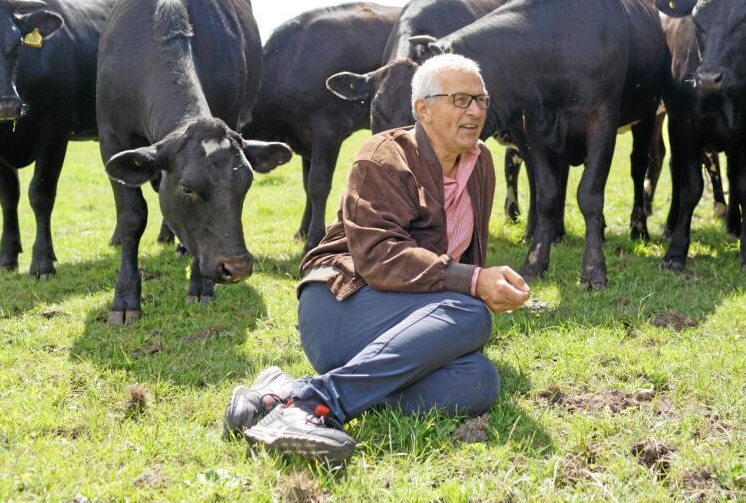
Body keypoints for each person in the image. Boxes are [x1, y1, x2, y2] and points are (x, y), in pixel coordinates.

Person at [223, 54, 531, 462]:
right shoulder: (383, 155)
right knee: (470, 313)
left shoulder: (480, 164)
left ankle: (285, 392)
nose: (474, 111)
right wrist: (474, 282)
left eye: (481, 99)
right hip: (340, 303)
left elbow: (465, 253)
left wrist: (483, 287)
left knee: (480, 380)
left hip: (405, 319)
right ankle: (313, 406)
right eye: (459, 99)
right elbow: (378, 256)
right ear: (422, 108)